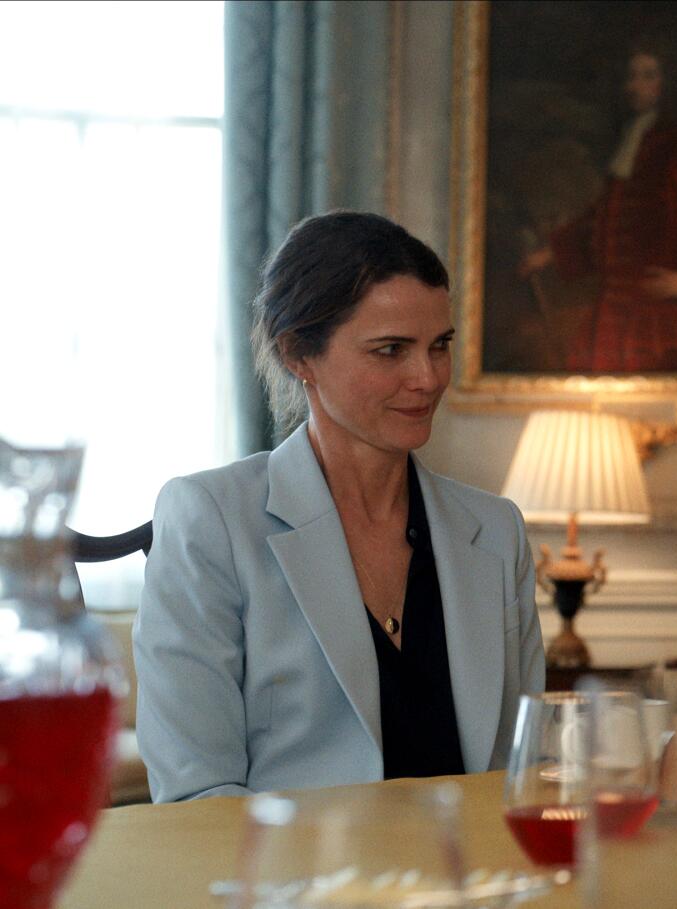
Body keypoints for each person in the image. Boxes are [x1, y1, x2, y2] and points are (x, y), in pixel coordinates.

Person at [136, 212, 546, 802]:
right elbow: (196, 791)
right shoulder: (210, 519)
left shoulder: (495, 530)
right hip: (295, 887)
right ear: (298, 355)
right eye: (391, 351)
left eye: (440, 346)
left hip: (474, 881)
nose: (427, 378)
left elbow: (526, 768)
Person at [519, 46, 677, 374]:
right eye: (632, 76)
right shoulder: (632, 143)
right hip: (612, 314)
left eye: (648, 75)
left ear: (666, 84)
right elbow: (603, 218)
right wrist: (550, 253)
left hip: (660, 315)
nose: (635, 85)